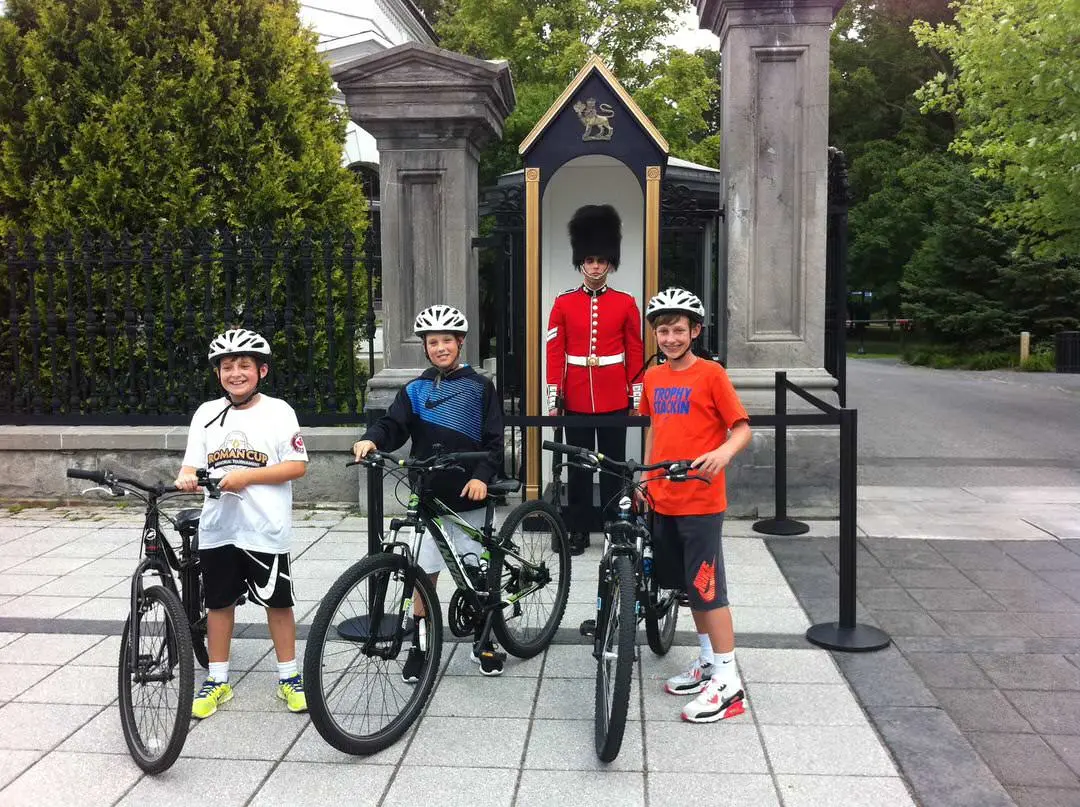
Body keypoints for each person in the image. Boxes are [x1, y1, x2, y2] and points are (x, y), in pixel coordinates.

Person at [352, 304, 506, 678]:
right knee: (423, 575)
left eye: (447, 341)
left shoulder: (481, 387)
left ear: (460, 343)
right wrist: (371, 439)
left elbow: (495, 440)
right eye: (433, 342)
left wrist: (482, 476)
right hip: (429, 494)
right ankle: (421, 646)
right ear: (425, 347)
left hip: (469, 494)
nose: (440, 348)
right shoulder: (416, 389)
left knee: (476, 571)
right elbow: (393, 424)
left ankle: (484, 640)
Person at [175, 328, 309, 719]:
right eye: (228, 366)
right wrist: (186, 476)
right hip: (220, 528)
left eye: (244, 366)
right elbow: (192, 463)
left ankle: (289, 676)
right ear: (218, 373)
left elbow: (297, 465)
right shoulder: (206, 413)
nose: (236, 373)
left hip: (264, 528)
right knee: (218, 603)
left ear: (261, 371)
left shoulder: (278, 411)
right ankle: (218, 679)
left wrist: (246, 477)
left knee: (278, 603)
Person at [638, 288, 752, 723]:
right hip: (663, 498)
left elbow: (741, 427)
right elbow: (655, 427)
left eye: (679, 330)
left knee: (708, 590)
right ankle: (708, 663)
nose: (670, 338)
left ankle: (729, 682)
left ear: (695, 331)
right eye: (663, 331)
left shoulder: (711, 375)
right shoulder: (653, 377)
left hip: (701, 501)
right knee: (687, 590)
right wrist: (647, 476)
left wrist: (723, 453)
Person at [546, 204, 644, 555]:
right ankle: (578, 529)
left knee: (615, 467)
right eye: (590, 260)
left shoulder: (626, 303)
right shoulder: (563, 303)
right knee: (580, 467)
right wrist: (552, 399)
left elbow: (635, 352)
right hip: (575, 397)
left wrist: (636, 397)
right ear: (581, 263)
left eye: (602, 261)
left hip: (615, 395)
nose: (596, 266)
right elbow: (555, 353)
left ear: (610, 263)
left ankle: (615, 527)